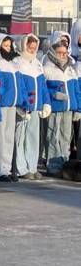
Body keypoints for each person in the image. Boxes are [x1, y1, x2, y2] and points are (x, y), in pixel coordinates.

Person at [0, 33, 28, 182]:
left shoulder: (13, 63)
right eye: (5, 45)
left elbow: (20, 84)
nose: (8, 48)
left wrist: (24, 102)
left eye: (9, 45)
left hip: (12, 105)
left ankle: (7, 167)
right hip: (1, 104)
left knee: (10, 138)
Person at [13, 34, 49, 180]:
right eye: (29, 47)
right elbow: (19, 86)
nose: (32, 50)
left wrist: (46, 103)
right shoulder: (17, 62)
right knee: (20, 137)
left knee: (33, 138)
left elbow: (43, 86)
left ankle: (32, 166)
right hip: (24, 107)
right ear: (23, 45)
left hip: (36, 107)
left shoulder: (37, 63)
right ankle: (21, 168)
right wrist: (22, 105)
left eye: (34, 48)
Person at [42, 35, 77, 176]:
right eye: (60, 53)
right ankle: (53, 166)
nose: (63, 55)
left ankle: (64, 164)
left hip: (68, 108)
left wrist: (77, 107)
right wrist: (53, 95)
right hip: (55, 108)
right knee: (53, 136)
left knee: (65, 136)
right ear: (53, 52)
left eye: (65, 52)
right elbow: (43, 88)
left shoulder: (70, 68)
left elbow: (75, 90)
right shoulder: (47, 67)